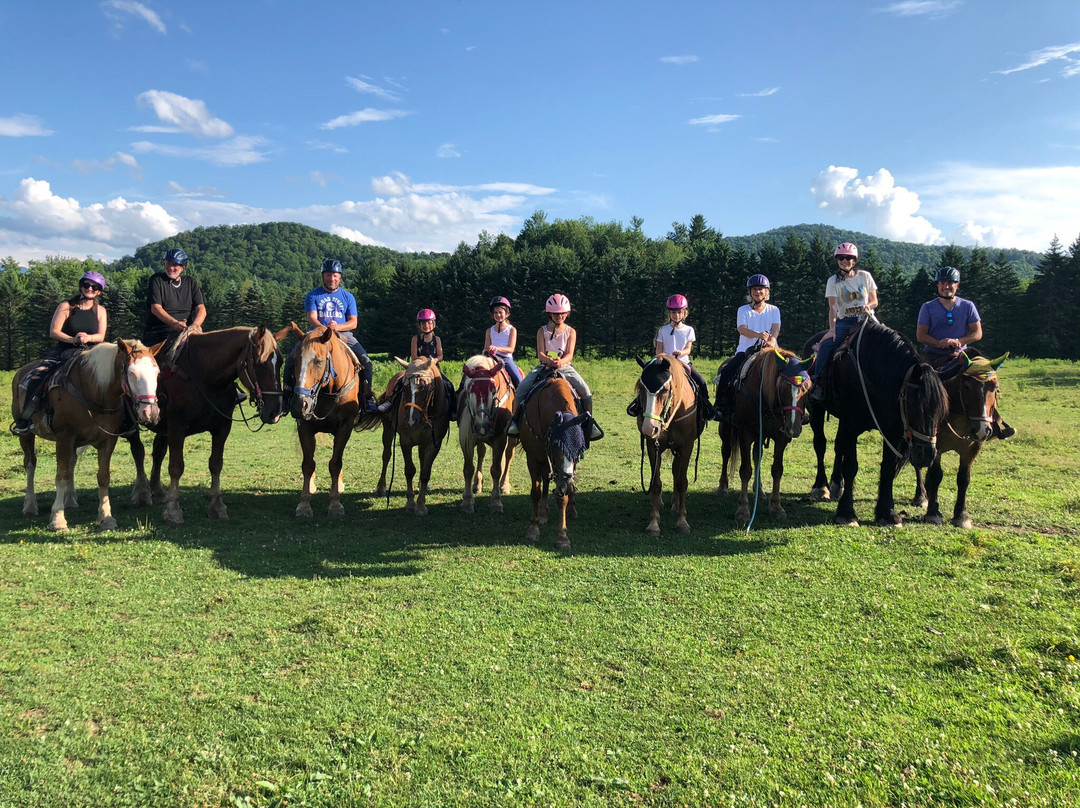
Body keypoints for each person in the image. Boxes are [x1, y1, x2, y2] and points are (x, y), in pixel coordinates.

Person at [916, 265, 1014, 438]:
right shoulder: (928, 307)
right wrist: (940, 343)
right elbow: (921, 335)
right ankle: (921, 424)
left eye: (950, 283)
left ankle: (996, 422)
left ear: (957, 285)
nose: (946, 286)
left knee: (984, 381)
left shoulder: (968, 306)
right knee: (922, 385)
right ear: (938, 285)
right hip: (933, 355)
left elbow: (977, 333)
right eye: (942, 283)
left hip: (962, 356)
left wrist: (958, 341)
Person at [12, 271, 109, 435]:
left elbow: (101, 336)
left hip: (91, 352)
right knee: (36, 377)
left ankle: (123, 420)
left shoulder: (100, 311)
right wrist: (73, 339)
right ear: (81, 286)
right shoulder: (66, 306)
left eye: (94, 287)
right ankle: (25, 420)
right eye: (87, 285)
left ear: (99, 291)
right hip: (64, 350)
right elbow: (54, 331)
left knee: (114, 378)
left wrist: (88, 337)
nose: (90, 289)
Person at [284, 259, 376, 412]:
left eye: (335, 275)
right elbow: (312, 317)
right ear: (323, 276)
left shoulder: (348, 297)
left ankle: (367, 398)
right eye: (328, 275)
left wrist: (337, 327)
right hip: (316, 334)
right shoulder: (313, 295)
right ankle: (287, 396)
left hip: (343, 334)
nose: (331, 279)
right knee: (292, 359)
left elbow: (353, 322)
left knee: (366, 361)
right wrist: (324, 329)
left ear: (340, 277)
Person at [506, 294, 602, 439]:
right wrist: (549, 361)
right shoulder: (542, 331)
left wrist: (561, 362)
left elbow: (570, 354)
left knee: (585, 391)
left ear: (567, 313)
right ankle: (514, 422)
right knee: (521, 389)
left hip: (564, 367)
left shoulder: (571, 332)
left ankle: (589, 424)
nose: (560, 316)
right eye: (556, 314)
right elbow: (540, 353)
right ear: (549, 313)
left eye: (563, 313)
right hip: (544, 367)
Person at [810, 242, 878, 401]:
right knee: (826, 346)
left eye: (848, 258)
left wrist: (868, 306)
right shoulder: (833, 281)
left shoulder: (864, 276)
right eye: (841, 258)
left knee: (888, 340)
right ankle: (818, 382)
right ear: (837, 260)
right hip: (845, 321)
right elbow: (833, 307)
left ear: (854, 260)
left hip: (866, 319)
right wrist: (832, 329)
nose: (844, 261)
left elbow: (874, 300)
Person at [627, 294, 712, 418]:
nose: (676, 315)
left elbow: (688, 349)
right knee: (648, 380)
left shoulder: (689, 330)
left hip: (683, 362)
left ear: (684, 313)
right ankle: (638, 404)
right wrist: (666, 357)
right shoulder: (662, 330)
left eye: (679, 312)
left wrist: (680, 353)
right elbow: (659, 350)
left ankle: (706, 406)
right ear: (669, 313)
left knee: (701, 381)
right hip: (664, 364)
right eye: (673, 312)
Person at [713, 275, 781, 420]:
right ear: (750, 292)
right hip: (746, 352)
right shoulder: (743, 310)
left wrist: (772, 340)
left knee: (791, 376)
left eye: (761, 289)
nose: (758, 292)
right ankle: (720, 407)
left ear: (767, 291)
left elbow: (776, 327)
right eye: (754, 289)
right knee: (727, 373)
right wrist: (758, 335)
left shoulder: (774, 310)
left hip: (770, 352)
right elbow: (742, 329)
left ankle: (794, 411)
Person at [143, 248, 206, 349]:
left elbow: (201, 308)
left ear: (182, 267)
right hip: (160, 333)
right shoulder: (157, 280)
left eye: (175, 265)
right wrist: (174, 323)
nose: (171, 267)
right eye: (168, 263)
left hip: (187, 332)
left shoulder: (191, 283)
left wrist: (195, 325)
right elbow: (156, 308)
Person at [483, 296, 523, 386]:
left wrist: (496, 348)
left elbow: (511, 349)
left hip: (505, 359)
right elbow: (486, 347)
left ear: (507, 314)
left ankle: (522, 398)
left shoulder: (512, 329)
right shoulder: (489, 330)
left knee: (519, 380)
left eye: (500, 312)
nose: (498, 315)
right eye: (495, 313)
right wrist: (486, 352)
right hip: (491, 358)